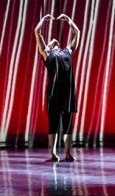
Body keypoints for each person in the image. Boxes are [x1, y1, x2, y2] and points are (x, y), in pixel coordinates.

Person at [34, 13, 80, 162]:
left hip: (67, 95)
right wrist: (42, 20)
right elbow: (37, 32)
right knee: (53, 124)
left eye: (55, 41)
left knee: (67, 126)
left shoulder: (67, 51)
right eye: (51, 41)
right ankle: (53, 153)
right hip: (54, 94)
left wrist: (70, 21)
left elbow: (77, 33)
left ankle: (67, 153)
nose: (54, 40)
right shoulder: (47, 54)